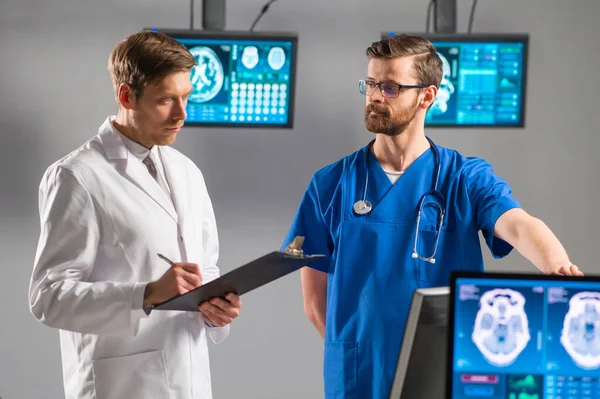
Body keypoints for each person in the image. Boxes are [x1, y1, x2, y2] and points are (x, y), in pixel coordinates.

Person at [280, 34, 583, 399]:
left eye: (390, 87)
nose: (375, 96)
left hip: (443, 370)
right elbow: (315, 302)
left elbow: (518, 224)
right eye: (371, 84)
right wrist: (353, 351)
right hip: (358, 377)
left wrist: (558, 266)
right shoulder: (330, 184)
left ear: (427, 96)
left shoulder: (463, 178)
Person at [28, 30, 241, 399]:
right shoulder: (77, 176)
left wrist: (215, 308)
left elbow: (205, 268)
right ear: (126, 95)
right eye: (166, 101)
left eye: (186, 97)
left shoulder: (187, 171)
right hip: (122, 385)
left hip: (189, 379)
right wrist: (146, 295)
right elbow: (48, 297)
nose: (182, 114)